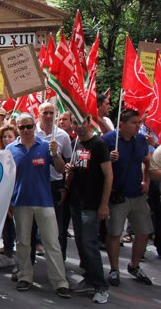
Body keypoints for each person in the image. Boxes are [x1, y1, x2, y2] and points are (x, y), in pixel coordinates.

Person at [6, 113, 71, 299]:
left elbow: (60, 169)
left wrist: (55, 154)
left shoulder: (46, 146)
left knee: (52, 243)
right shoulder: (10, 149)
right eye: (21, 127)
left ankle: (60, 281)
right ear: (16, 128)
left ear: (34, 126)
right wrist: (8, 201)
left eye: (29, 126)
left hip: (44, 201)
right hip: (20, 202)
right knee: (23, 243)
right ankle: (25, 276)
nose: (26, 130)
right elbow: (6, 177)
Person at [101, 109, 154, 286]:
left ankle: (134, 265)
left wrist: (146, 181)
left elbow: (147, 160)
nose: (138, 126)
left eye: (139, 122)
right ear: (121, 124)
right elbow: (96, 166)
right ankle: (114, 269)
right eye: (134, 123)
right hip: (118, 195)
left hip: (137, 195)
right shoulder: (108, 140)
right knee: (115, 233)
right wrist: (108, 158)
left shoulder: (140, 139)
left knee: (144, 231)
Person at [65, 115, 112, 304]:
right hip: (76, 202)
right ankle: (90, 279)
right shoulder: (75, 142)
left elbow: (108, 176)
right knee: (81, 243)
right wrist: (70, 171)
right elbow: (75, 172)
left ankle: (101, 286)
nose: (78, 126)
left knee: (89, 244)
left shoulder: (99, 144)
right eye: (75, 123)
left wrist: (104, 204)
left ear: (88, 122)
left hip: (92, 204)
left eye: (81, 122)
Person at [36, 102, 73, 260]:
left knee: (57, 228)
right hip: (35, 184)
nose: (49, 116)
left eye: (51, 113)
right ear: (39, 114)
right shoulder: (31, 132)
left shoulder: (62, 136)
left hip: (54, 186)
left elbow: (69, 164)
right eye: (45, 113)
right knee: (30, 228)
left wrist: (66, 186)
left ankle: (59, 263)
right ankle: (26, 265)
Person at [0, 124, 18, 270]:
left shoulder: (18, 152)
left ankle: (10, 255)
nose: (7, 139)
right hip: (1, 195)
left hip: (14, 194)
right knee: (3, 226)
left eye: (10, 136)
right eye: (4, 137)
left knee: (12, 225)